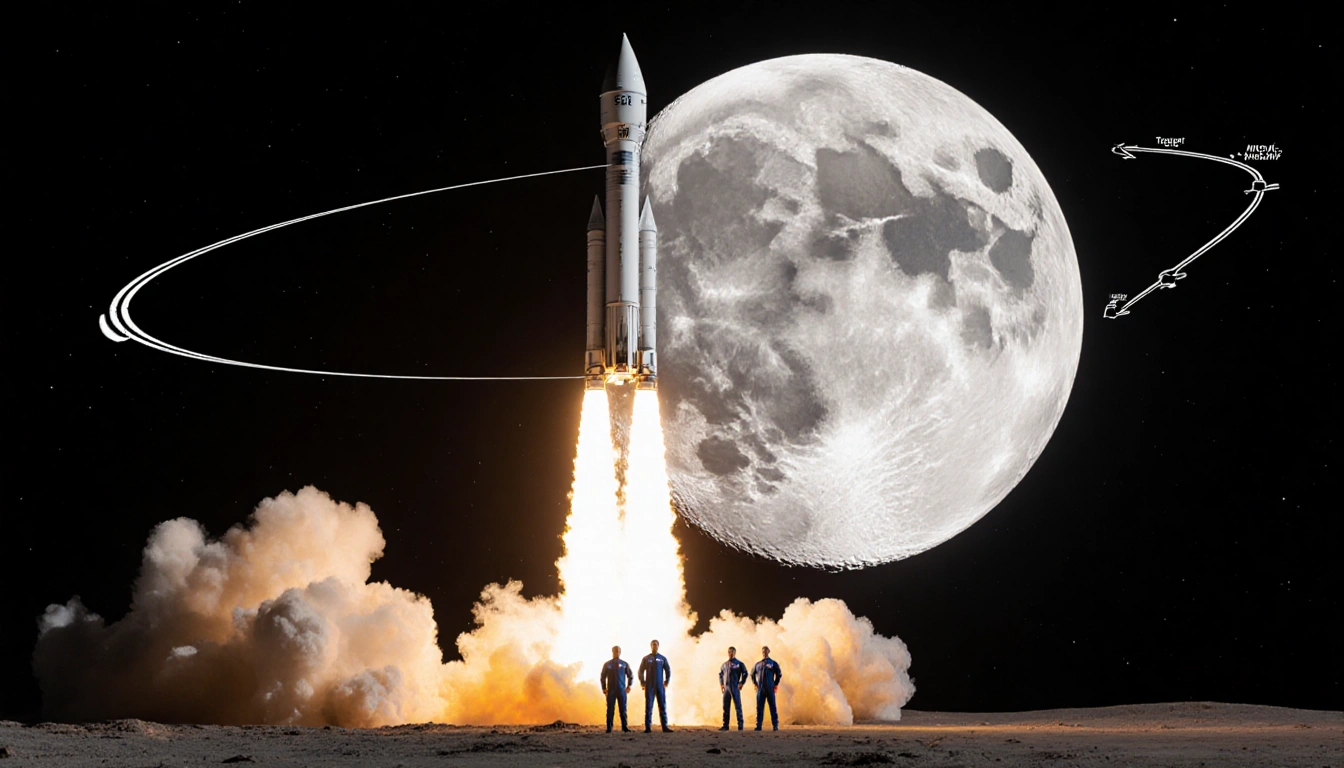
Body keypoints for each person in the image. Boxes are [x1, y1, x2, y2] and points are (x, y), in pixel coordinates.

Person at [638, 639, 673, 732]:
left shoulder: (662, 658)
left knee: (662, 705)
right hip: (649, 686)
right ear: (651, 646)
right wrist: (642, 682)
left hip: (660, 686)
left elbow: (668, 670)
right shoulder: (646, 658)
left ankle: (665, 727)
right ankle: (648, 727)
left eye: (656, 645)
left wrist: (667, 681)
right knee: (649, 706)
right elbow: (640, 671)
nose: (655, 646)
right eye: (653, 645)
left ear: (658, 646)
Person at [600, 646, 633, 733]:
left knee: (623, 709)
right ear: (612, 652)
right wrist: (604, 688)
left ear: (620, 652)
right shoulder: (607, 664)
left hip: (622, 690)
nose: (616, 652)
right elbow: (603, 677)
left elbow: (630, 675)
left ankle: (624, 727)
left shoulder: (624, 664)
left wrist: (629, 686)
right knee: (610, 709)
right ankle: (609, 728)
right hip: (611, 690)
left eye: (618, 651)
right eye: (615, 651)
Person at [751, 645, 783, 731]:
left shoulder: (773, 663)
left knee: (772, 707)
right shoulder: (758, 664)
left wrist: (775, 684)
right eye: (763, 651)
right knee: (759, 707)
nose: (764, 652)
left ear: (768, 651)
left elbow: (779, 674)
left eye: (766, 651)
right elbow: (752, 674)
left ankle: (775, 725)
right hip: (760, 689)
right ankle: (758, 726)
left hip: (770, 688)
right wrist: (755, 683)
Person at [718, 646, 748, 731]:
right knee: (726, 706)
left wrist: (742, 683)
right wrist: (721, 684)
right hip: (726, 687)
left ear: (735, 653)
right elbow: (720, 674)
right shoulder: (724, 665)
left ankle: (740, 726)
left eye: (732, 652)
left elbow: (745, 673)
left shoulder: (739, 664)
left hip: (735, 686)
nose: (730, 653)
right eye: (729, 652)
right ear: (728, 653)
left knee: (738, 706)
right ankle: (725, 725)